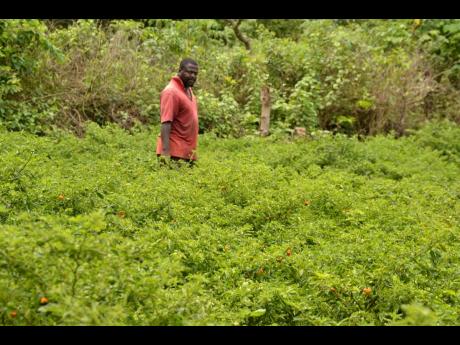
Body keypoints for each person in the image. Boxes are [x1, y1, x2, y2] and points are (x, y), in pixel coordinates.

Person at [156, 58, 199, 167]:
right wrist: (165, 154)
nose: (193, 76)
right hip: (174, 154)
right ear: (180, 71)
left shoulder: (188, 90)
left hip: (187, 154)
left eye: (195, 73)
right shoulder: (171, 92)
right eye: (189, 72)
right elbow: (166, 122)